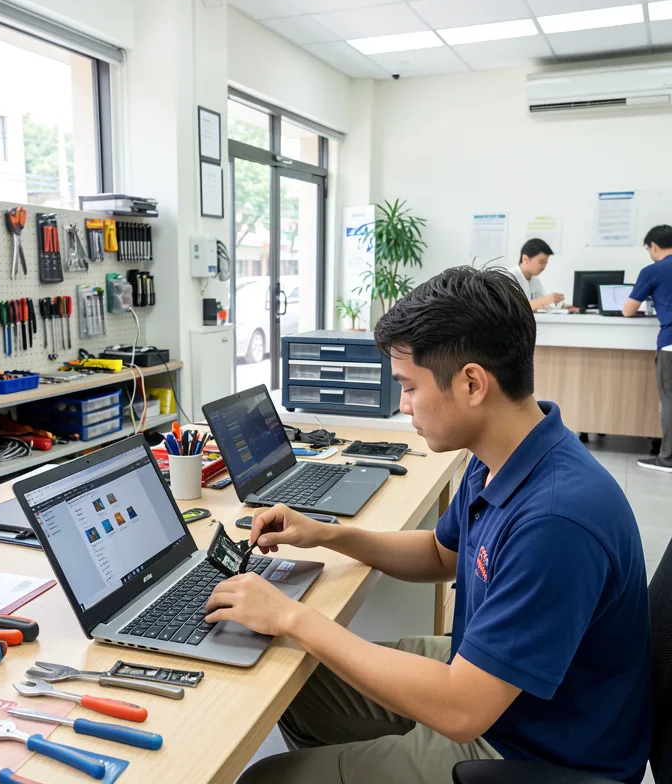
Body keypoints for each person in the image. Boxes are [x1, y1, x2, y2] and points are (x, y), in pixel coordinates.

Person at [206, 267, 651, 784]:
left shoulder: (556, 520)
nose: (403, 405)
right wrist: (329, 533)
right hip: (500, 691)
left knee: (267, 778)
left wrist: (291, 616)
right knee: (296, 682)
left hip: (530, 748)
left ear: (471, 383)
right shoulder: (503, 456)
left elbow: (463, 712)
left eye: (410, 387)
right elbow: (443, 556)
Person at [623, 224, 672, 472]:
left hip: (670, 342)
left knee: (670, 399)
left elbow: (627, 309)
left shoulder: (653, 270)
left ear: (653, 246)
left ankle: (668, 458)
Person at [508, 238, 565, 312]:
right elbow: (516, 307)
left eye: (546, 263)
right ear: (525, 259)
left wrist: (559, 304)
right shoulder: (510, 276)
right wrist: (546, 300)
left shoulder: (534, 279)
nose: (544, 267)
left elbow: (544, 305)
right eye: (541, 262)